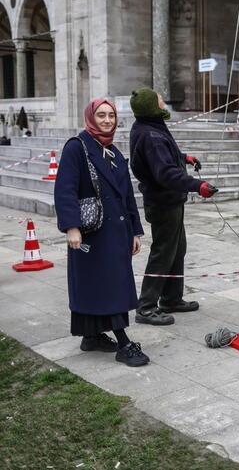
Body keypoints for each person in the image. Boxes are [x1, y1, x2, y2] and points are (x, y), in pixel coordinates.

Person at [54, 99, 150, 367]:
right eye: (101, 115)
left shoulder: (113, 151)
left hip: (116, 233)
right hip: (91, 233)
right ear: (90, 117)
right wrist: (71, 227)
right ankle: (124, 343)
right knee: (108, 287)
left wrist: (135, 230)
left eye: (111, 115)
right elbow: (65, 189)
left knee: (103, 285)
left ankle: (91, 336)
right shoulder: (77, 147)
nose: (107, 120)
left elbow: (127, 195)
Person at [129, 88, 217, 325]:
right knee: (163, 253)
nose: (163, 101)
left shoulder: (151, 126)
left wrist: (183, 157)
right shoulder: (151, 134)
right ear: (151, 105)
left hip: (170, 201)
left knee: (177, 250)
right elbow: (165, 173)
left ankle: (171, 298)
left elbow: (165, 158)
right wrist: (197, 185)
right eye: (159, 99)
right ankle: (146, 307)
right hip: (163, 203)